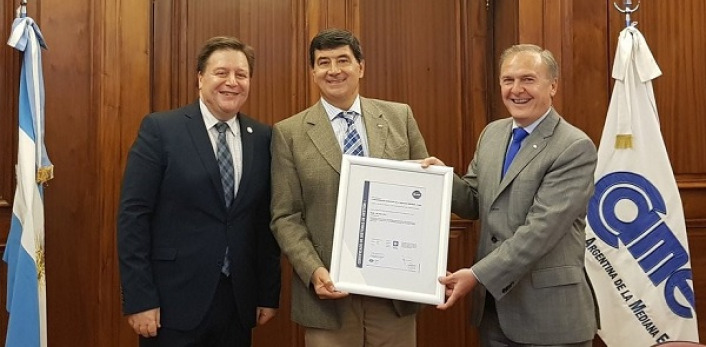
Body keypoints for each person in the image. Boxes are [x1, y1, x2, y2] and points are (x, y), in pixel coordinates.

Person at [423, 44, 599, 346]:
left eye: (528, 79)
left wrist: (477, 275)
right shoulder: (492, 134)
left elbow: (540, 232)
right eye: (508, 80)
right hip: (494, 313)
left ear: (553, 85)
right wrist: (441, 179)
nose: (516, 89)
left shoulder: (573, 147)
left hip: (550, 319)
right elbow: (475, 201)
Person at [117, 36, 281, 346]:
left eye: (241, 75)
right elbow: (133, 217)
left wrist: (267, 293)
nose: (232, 82)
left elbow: (265, 222)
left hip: (237, 303)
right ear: (200, 77)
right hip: (171, 304)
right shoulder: (161, 130)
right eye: (221, 73)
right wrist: (139, 298)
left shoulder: (263, 137)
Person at [270, 28, 428, 346]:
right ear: (313, 72)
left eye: (344, 60)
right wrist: (313, 270)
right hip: (328, 295)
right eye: (323, 62)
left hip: (393, 293)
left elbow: (425, 198)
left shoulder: (400, 117)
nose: (334, 70)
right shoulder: (289, 133)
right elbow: (285, 216)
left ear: (361, 67)